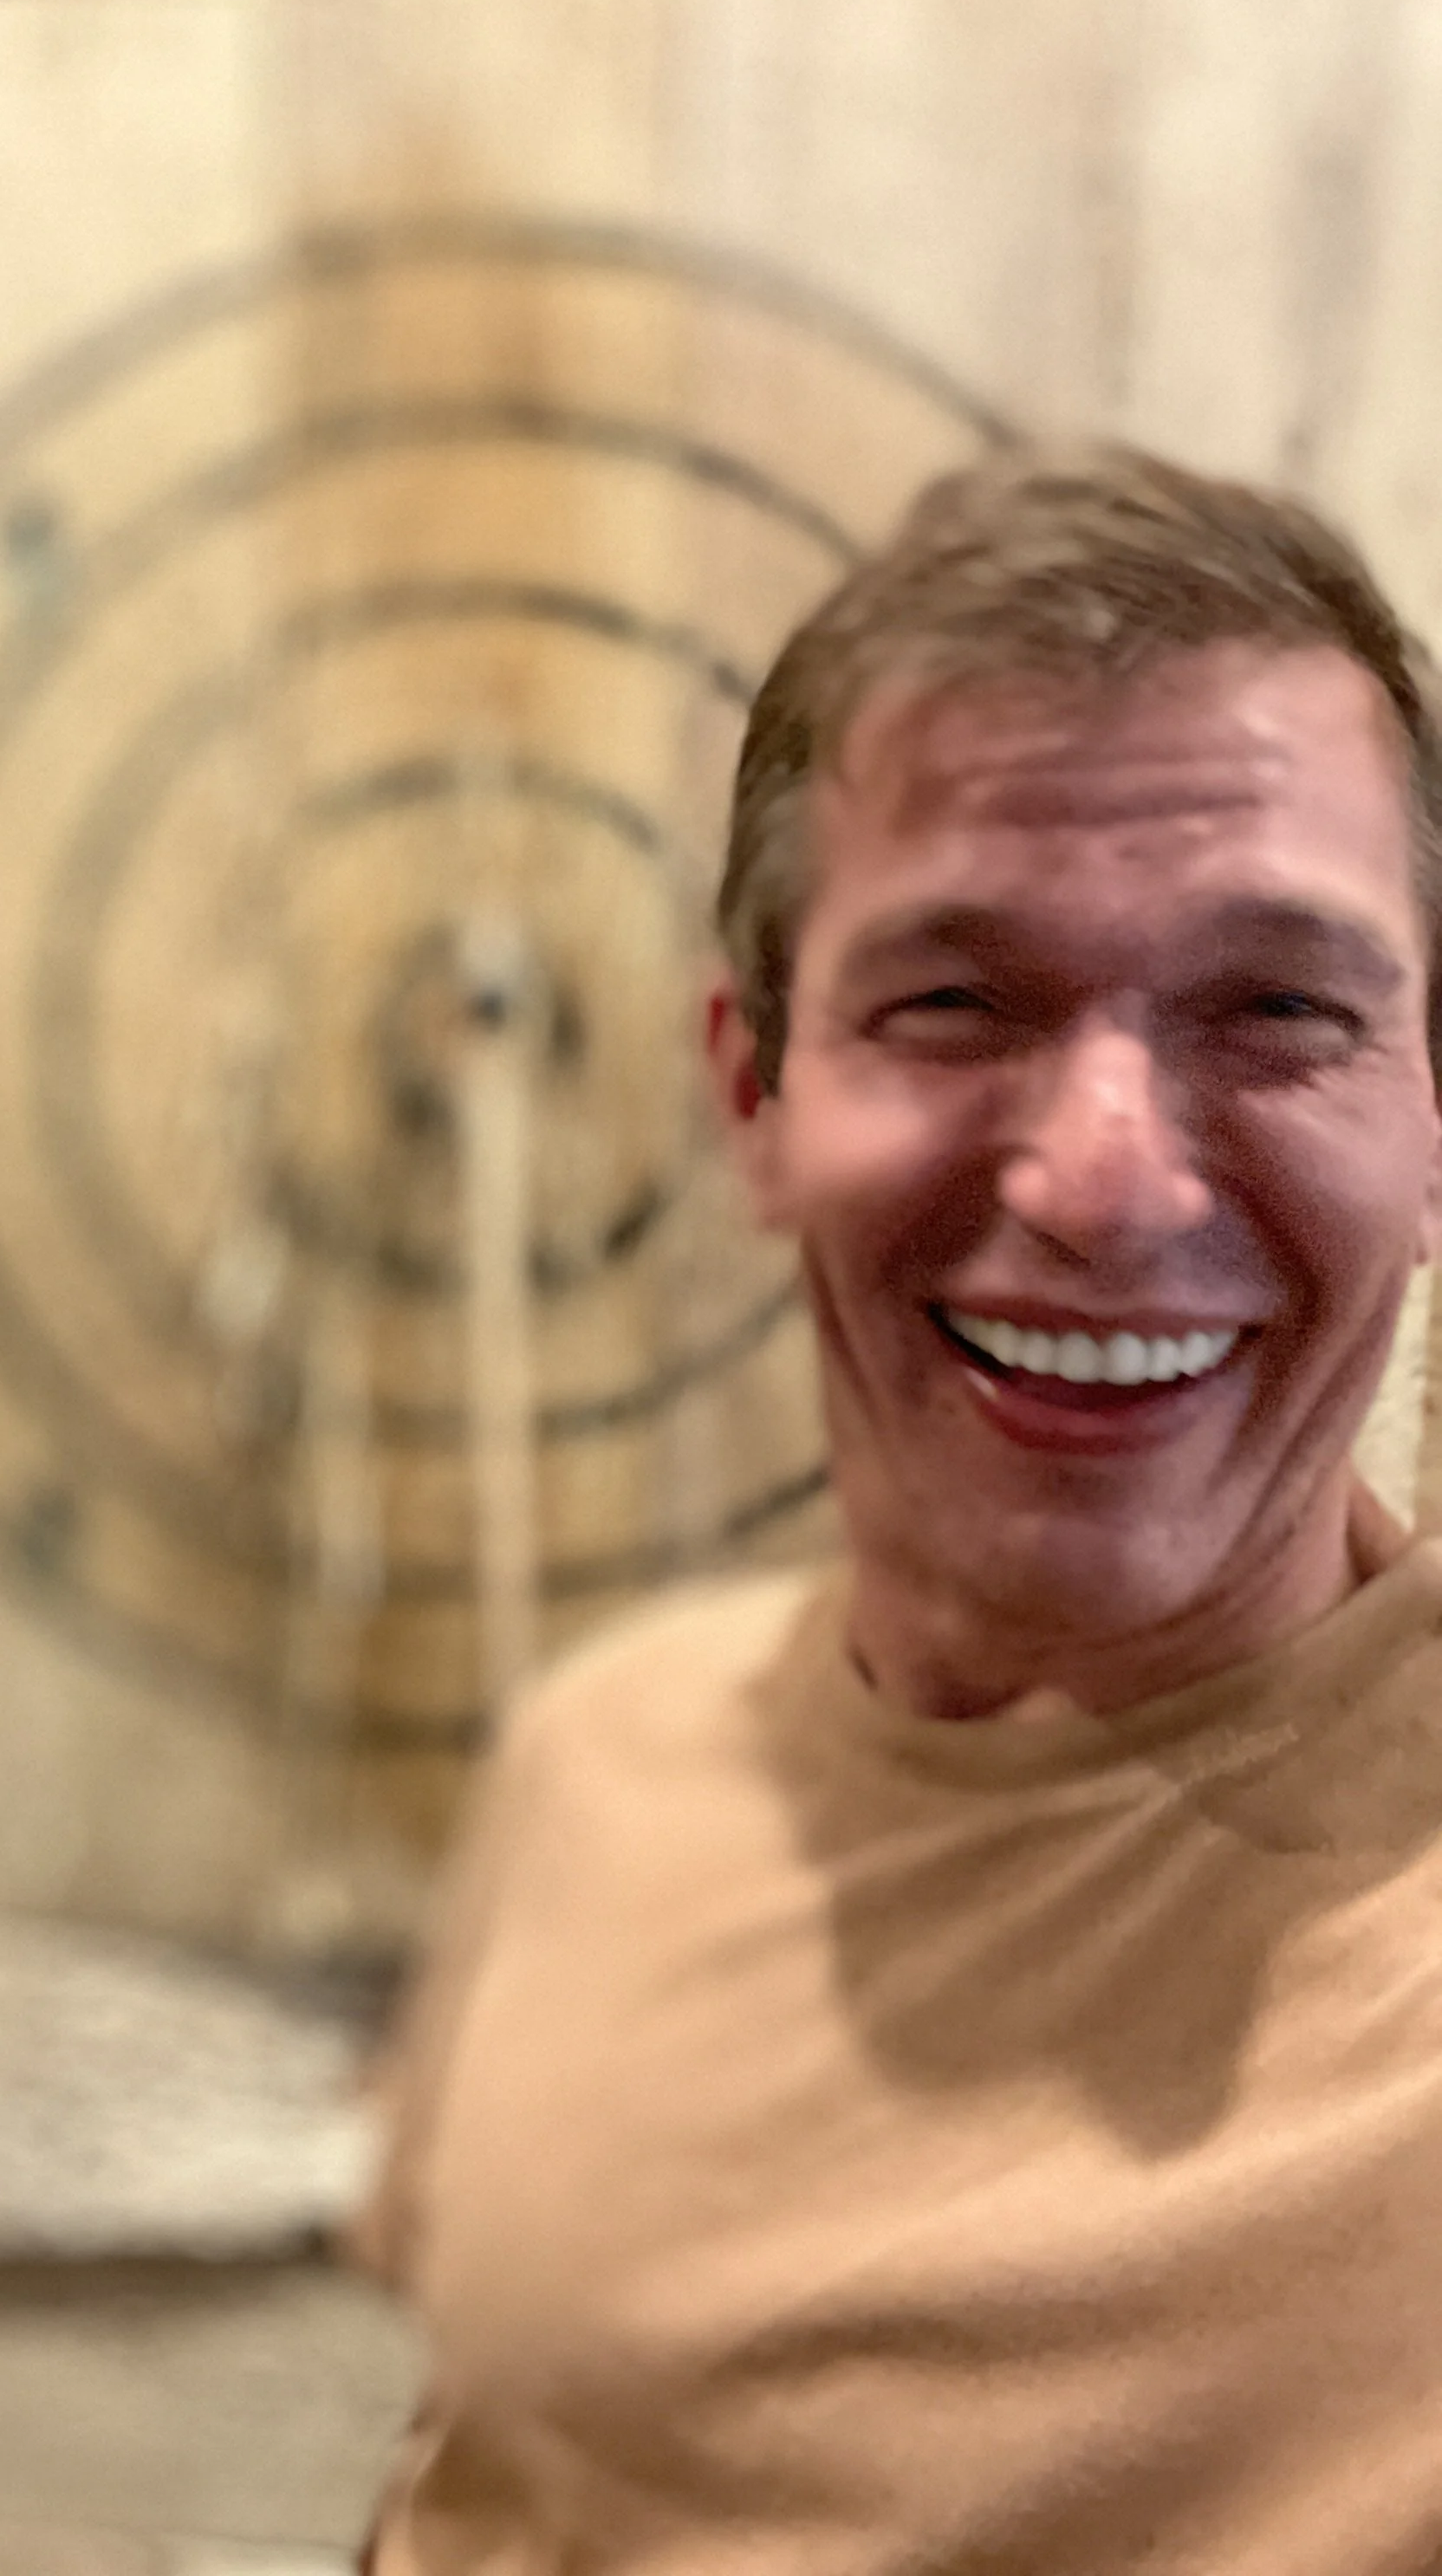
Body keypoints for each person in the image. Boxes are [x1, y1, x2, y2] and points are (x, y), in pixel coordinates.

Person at [350, 444, 1442, 2572]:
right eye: (955, 1000)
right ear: (755, 1092)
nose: (1107, 1180)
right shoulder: (604, 1760)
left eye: (1277, 1010)